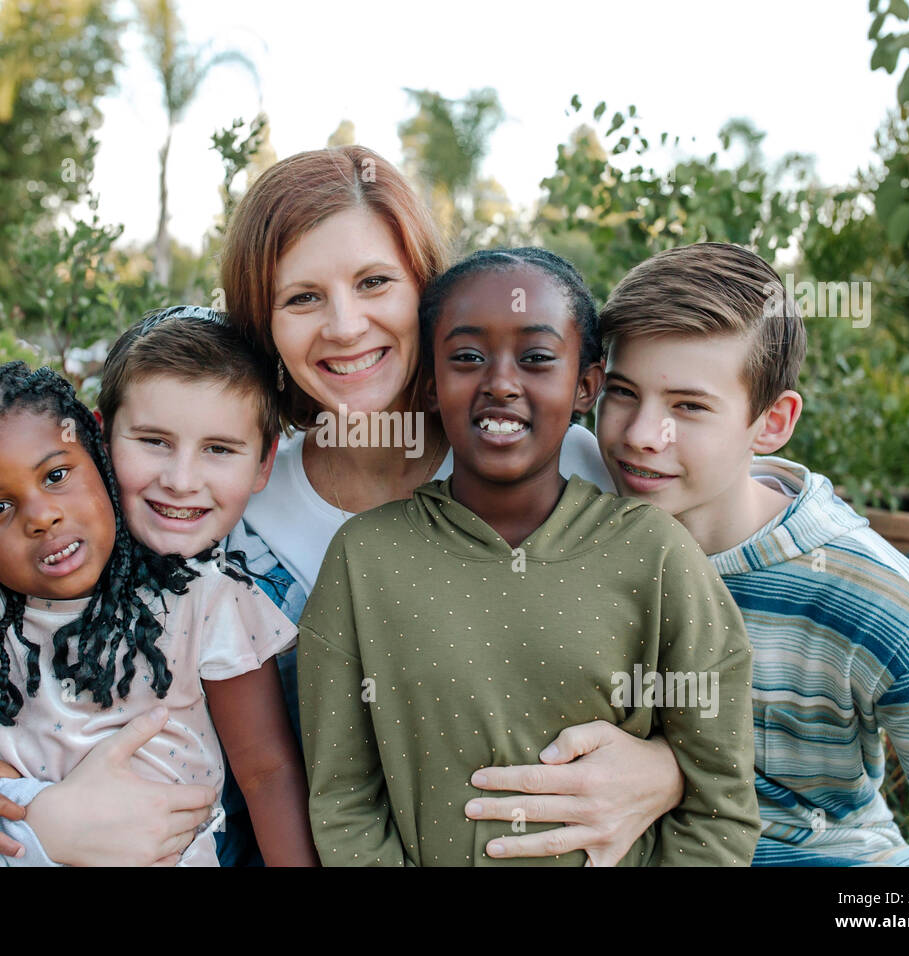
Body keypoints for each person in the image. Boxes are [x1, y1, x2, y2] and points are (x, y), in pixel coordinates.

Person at [221, 145, 689, 863]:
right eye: (302, 297)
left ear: (427, 291)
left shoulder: (569, 462)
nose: (344, 326)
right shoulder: (242, 515)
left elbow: (708, 644)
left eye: (375, 282)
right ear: (264, 324)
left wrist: (669, 768)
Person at [298, 248, 760, 865]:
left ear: (586, 385)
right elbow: (343, 800)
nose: (501, 383)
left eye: (538, 358)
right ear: (430, 384)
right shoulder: (364, 558)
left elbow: (719, 808)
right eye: (466, 357)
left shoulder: (656, 555)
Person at [593, 241, 909, 865]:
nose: (638, 436)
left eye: (689, 406)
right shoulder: (579, 534)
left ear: (772, 422)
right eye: (623, 392)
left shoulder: (876, 599)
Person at [0, 356, 317, 867]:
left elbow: (266, 771)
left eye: (56, 475)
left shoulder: (203, 594)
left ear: (96, 452)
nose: (42, 515)